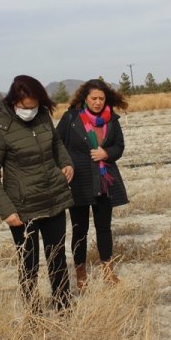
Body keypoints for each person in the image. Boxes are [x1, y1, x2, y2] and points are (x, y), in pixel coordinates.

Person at [0, 75, 75, 313]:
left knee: (57, 258)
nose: (30, 111)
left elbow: (56, 145)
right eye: (25, 107)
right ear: (14, 102)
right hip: (22, 209)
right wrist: (7, 210)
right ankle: (33, 312)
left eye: (34, 106)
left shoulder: (43, 116)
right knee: (28, 264)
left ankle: (63, 304)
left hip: (53, 198)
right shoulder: (0, 128)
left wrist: (66, 162)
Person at [56, 79, 129, 290]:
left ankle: (108, 270)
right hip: (78, 181)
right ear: (84, 98)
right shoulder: (71, 118)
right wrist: (64, 164)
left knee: (104, 228)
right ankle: (80, 272)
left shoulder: (111, 120)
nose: (97, 102)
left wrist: (107, 153)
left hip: (104, 181)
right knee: (80, 230)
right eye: (93, 98)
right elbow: (56, 143)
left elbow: (119, 146)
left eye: (101, 98)